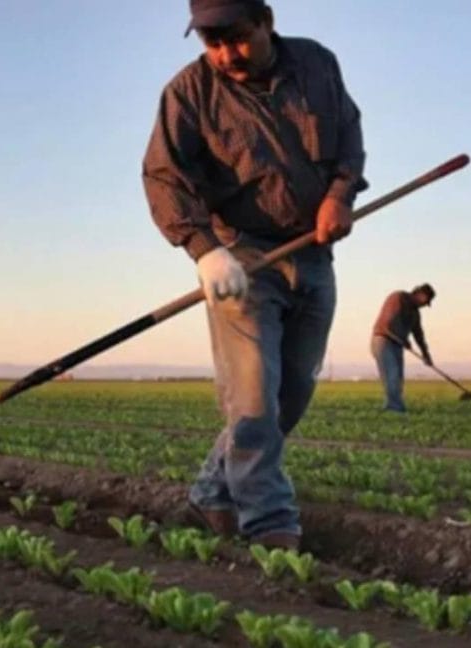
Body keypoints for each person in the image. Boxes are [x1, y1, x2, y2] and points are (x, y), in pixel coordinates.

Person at [142, 0, 367, 549]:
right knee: (254, 398)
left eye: (237, 38)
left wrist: (340, 195)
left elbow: (349, 139)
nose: (225, 54)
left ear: (266, 20)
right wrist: (204, 250)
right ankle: (269, 524)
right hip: (241, 258)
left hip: (313, 252)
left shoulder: (317, 64)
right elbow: (163, 177)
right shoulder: (188, 93)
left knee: (291, 395)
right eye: (211, 43)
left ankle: (211, 492)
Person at [370, 284, 435, 412]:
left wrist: (425, 354)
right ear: (420, 294)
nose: (425, 305)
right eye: (426, 301)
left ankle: (393, 405)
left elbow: (419, 335)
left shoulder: (415, 313)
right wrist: (403, 339)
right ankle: (394, 408)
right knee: (392, 375)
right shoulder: (399, 297)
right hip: (383, 340)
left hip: (397, 344)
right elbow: (390, 322)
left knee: (398, 377)